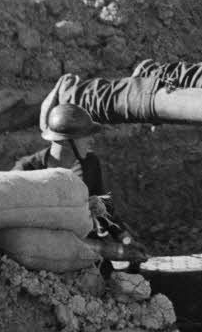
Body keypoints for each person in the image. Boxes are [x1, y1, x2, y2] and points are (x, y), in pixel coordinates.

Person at [14, 102, 134, 249]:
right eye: (84, 136)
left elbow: (104, 207)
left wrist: (124, 237)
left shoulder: (90, 163)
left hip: (85, 241)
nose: (91, 140)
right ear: (64, 140)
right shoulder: (27, 170)